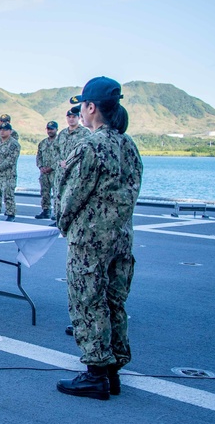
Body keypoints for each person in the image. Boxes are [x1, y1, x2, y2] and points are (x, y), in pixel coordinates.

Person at [56, 77, 142, 401]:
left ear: (91, 108)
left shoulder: (90, 146)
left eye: (82, 105)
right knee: (113, 302)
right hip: (121, 238)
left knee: (88, 302)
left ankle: (95, 373)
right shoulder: (128, 145)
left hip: (90, 240)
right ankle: (112, 372)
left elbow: (71, 195)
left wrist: (64, 223)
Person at [54, 106, 91, 222]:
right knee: (58, 195)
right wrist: (60, 161)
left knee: (72, 196)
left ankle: (71, 220)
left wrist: (69, 162)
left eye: (74, 117)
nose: (71, 119)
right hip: (61, 171)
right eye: (69, 117)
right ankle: (58, 219)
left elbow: (86, 152)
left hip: (75, 172)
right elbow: (55, 150)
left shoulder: (85, 133)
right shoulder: (62, 134)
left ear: (79, 117)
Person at [0, 122, 20, 220]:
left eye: (5, 130)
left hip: (7, 175)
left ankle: (10, 214)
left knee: (8, 194)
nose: (2, 131)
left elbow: (11, 159)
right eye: (1, 129)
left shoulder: (14, 144)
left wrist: (0, 167)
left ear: (10, 131)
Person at [35, 121, 58, 219]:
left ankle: (57, 213)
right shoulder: (43, 143)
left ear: (56, 129)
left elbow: (61, 157)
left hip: (55, 172)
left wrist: (51, 167)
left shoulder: (60, 142)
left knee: (57, 193)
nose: (50, 131)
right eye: (48, 129)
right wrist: (41, 167)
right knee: (44, 192)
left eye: (52, 129)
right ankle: (46, 210)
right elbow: (38, 156)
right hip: (44, 173)